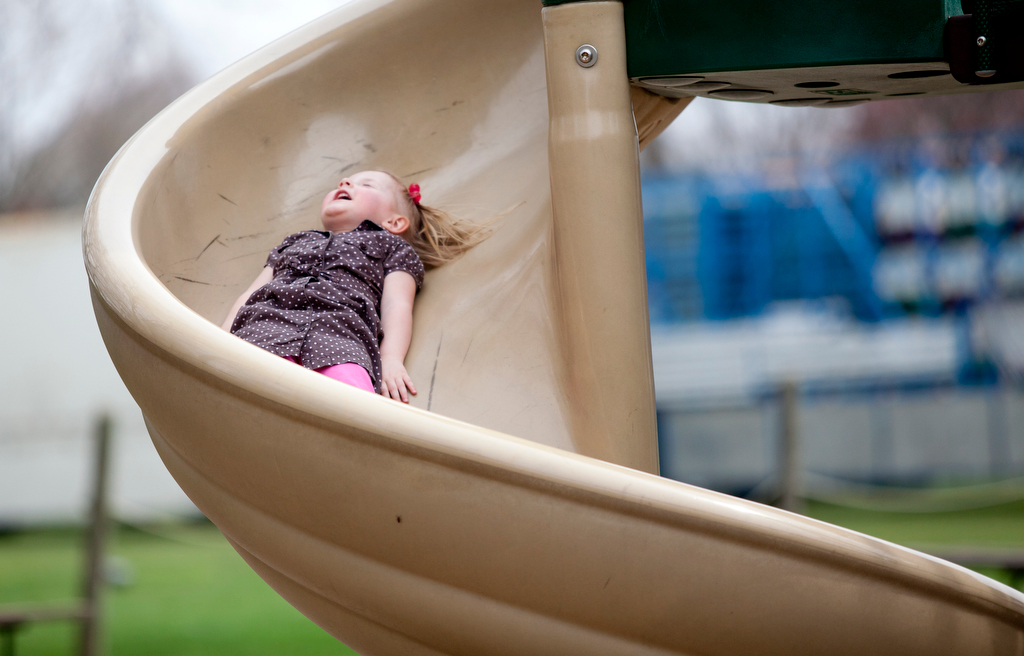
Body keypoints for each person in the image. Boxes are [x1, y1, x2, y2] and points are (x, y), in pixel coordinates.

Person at [221, 170, 485, 403]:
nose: (345, 182)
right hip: (267, 326)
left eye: (367, 184)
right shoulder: (294, 241)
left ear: (394, 223)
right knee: (247, 378)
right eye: (344, 181)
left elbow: (397, 304)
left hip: (340, 337)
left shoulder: (392, 247)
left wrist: (391, 359)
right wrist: (221, 336)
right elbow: (251, 293)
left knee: (353, 402)